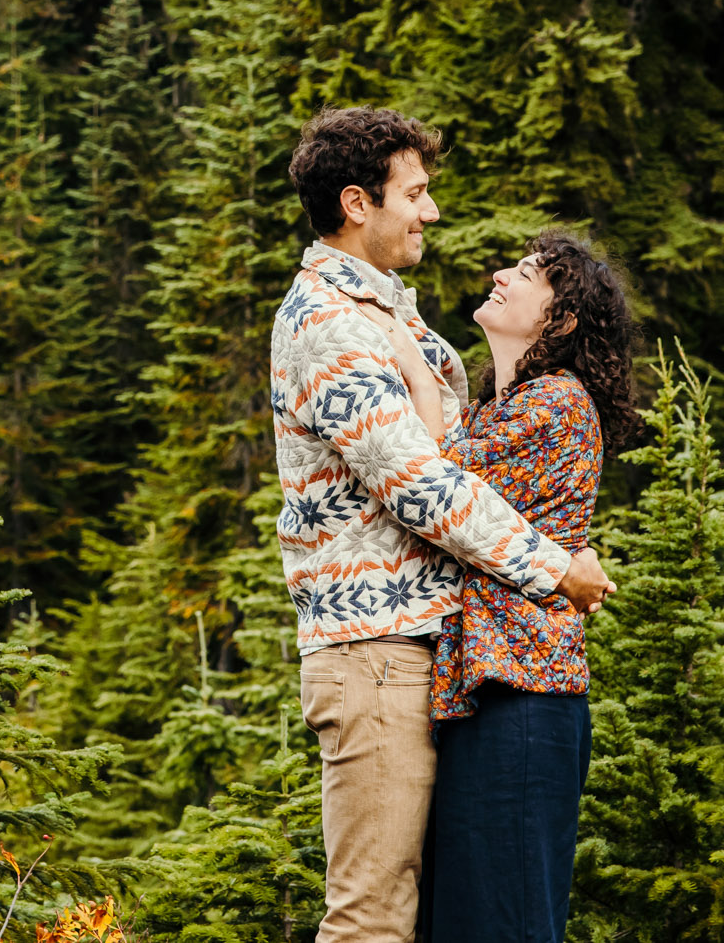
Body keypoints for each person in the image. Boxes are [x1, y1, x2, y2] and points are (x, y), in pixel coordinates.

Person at [271, 109, 615, 943]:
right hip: (376, 654)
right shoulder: (334, 324)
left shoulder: (388, 314)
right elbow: (420, 482)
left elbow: (456, 448)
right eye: (415, 192)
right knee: (372, 919)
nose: (430, 212)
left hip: (423, 653)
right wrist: (553, 566)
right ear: (358, 202)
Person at [379, 229, 643, 943]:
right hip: (484, 693)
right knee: (465, 919)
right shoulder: (506, 408)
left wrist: (402, 352)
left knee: (506, 922)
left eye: (525, 273)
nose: (500, 273)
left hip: (524, 697)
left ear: (560, 319)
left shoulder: (556, 401)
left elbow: (435, 480)